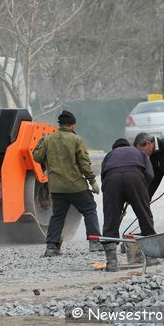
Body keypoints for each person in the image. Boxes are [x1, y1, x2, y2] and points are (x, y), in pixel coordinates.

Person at [33, 110, 103, 257]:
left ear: (60, 124)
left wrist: (41, 142)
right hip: (76, 186)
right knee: (89, 209)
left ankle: (52, 247)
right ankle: (95, 243)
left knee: (58, 216)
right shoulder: (76, 140)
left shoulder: (48, 140)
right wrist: (93, 182)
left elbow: (37, 157)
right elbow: (84, 164)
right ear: (72, 125)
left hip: (57, 188)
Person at [100, 138, 156, 272]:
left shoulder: (109, 155)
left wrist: (114, 200)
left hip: (111, 179)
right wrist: (140, 192)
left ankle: (112, 262)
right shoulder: (139, 152)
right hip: (135, 177)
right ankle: (152, 256)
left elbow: (104, 177)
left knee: (110, 218)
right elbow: (150, 174)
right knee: (144, 215)